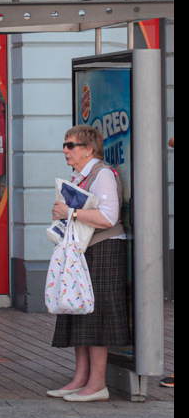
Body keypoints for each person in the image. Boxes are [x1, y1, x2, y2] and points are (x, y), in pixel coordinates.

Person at [46, 124, 130, 403]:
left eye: (71, 145)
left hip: (103, 249)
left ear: (89, 149)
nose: (65, 150)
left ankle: (97, 384)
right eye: (65, 144)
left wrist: (69, 212)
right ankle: (80, 379)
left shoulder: (102, 174)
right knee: (79, 310)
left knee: (96, 314)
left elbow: (108, 217)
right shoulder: (81, 175)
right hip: (85, 250)